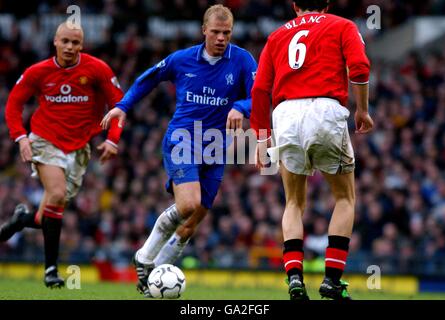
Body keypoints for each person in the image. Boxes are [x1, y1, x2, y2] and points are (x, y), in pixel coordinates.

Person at [101, 4, 257, 297]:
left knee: (192, 222)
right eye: (215, 32)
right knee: (187, 205)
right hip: (183, 138)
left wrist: (241, 105)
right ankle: (144, 257)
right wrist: (123, 106)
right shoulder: (182, 59)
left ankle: (151, 281)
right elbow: (148, 79)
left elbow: (259, 96)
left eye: (226, 33)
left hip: (216, 146)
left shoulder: (243, 61)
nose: (221, 38)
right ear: (203, 31)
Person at [250, 0, 373, 300]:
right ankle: (332, 280)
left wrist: (261, 137)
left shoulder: (277, 36)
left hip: (286, 113)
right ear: (327, 3)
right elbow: (358, 67)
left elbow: (259, 89)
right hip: (325, 108)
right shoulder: (342, 25)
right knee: (344, 198)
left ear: (294, 5)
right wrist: (362, 110)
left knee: (293, 203)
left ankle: (295, 280)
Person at [2, 21, 124, 288]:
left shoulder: (97, 69)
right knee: (56, 194)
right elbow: (13, 104)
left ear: (82, 45)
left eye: (75, 42)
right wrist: (21, 137)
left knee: (51, 210)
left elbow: (119, 105)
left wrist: (113, 140)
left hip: (79, 148)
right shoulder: (38, 72)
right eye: (65, 41)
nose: (70, 47)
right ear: (55, 42)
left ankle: (22, 219)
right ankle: (51, 271)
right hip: (45, 140)